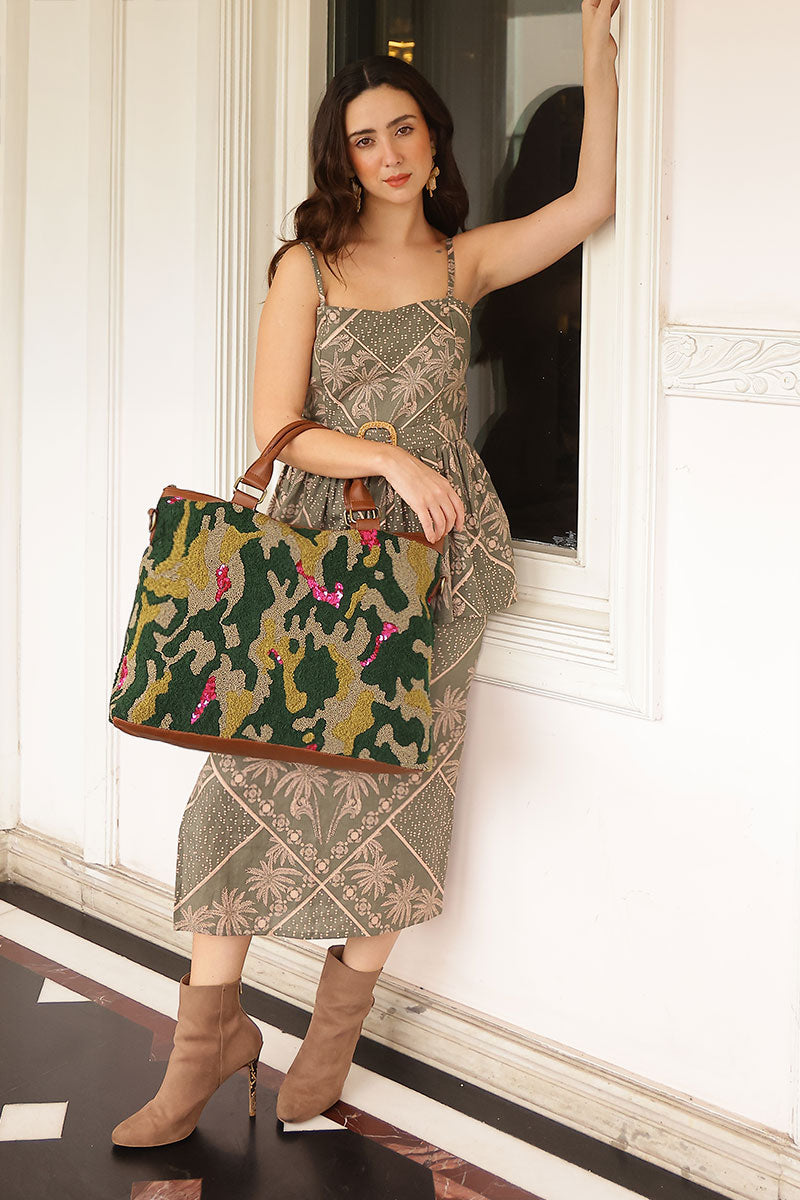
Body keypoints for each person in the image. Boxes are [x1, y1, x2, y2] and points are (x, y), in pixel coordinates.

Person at [111, 0, 619, 1148]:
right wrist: (389, 456)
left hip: (434, 571)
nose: (386, 153)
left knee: (400, 798)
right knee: (239, 793)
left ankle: (328, 1043)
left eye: (402, 130)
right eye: (362, 138)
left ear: (433, 141)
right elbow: (276, 426)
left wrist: (595, 52)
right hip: (316, 559)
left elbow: (588, 203)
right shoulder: (307, 265)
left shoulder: (459, 260)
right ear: (339, 158)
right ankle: (205, 1047)